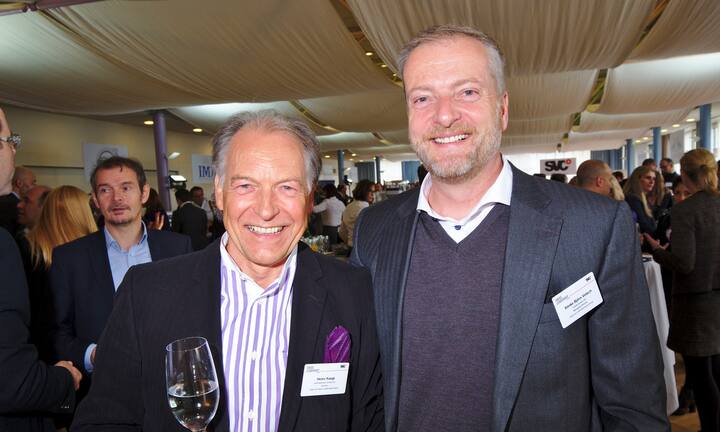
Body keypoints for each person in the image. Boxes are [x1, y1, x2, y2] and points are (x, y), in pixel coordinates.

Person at [351, 25, 667, 431]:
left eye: (467, 92)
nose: (444, 115)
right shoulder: (374, 230)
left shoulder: (593, 227)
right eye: (423, 97)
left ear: (502, 109)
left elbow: (632, 406)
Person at [72, 110, 383, 431]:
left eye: (287, 187)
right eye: (246, 185)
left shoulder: (354, 293)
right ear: (219, 192)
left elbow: (370, 419)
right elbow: (104, 421)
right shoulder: (146, 294)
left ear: (308, 197)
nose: (266, 209)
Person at [49, 156, 192, 397]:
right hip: (104, 394)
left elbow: (193, 315)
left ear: (144, 193)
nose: (117, 198)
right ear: (95, 199)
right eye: (106, 190)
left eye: (126, 188)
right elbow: (57, 333)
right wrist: (94, 355)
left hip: (172, 388)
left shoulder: (178, 248)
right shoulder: (70, 258)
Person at [0, 106, 82, 432]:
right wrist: (63, 378)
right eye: (10, 141)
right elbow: (13, 383)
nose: (14, 150)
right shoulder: (9, 245)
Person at [645, 148, 720, 432]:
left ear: (685, 175)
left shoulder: (686, 210)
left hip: (696, 304)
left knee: (701, 376)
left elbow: (685, 263)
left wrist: (658, 252)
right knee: (717, 371)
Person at [23, 186, 98, 364]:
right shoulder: (96, 253)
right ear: (83, 213)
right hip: (89, 352)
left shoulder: (29, 250)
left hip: (42, 353)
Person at [339, 179, 374, 250]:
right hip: (364, 247)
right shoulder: (367, 209)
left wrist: (350, 241)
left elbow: (342, 231)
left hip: (351, 246)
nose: (372, 195)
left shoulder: (348, 207)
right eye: (370, 191)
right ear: (363, 191)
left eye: (374, 192)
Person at [623, 165, 658, 235]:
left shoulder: (641, 197)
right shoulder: (633, 198)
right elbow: (645, 226)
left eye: (654, 179)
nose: (652, 182)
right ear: (637, 179)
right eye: (648, 178)